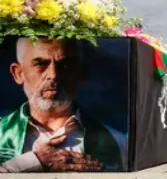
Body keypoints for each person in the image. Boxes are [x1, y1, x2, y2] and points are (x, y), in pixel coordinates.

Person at [0, 38, 127, 173]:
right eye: (41, 64)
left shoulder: (117, 142)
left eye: (65, 65)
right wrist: (33, 162)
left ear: (81, 72)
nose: (54, 75)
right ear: (18, 73)